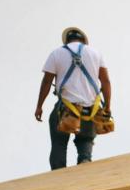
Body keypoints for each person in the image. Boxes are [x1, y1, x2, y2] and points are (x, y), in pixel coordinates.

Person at [35, 27, 112, 170]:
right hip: (90, 108)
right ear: (83, 40)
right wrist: (107, 106)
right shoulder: (95, 53)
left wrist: (39, 106)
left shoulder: (56, 53)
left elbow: (46, 82)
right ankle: (84, 165)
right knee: (85, 141)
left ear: (67, 40)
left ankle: (58, 176)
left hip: (65, 109)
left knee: (59, 144)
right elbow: (106, 81)